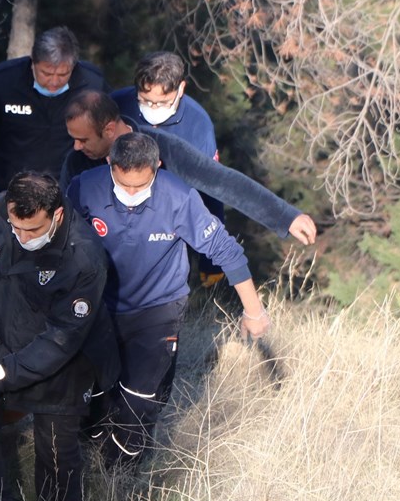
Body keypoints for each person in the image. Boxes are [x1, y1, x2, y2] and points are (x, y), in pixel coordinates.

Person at [68, 132, 269, 468]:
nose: (131, 194)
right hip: (98, 306)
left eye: (141, 186)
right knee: (95, 396)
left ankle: (120, 481)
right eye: (123, 184)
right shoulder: (82, 188)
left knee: (140, 402)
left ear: (157, 167)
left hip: (158, 309)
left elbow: (225, 250)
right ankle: (92, 452)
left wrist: (254, 310)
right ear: (108, 164)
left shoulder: (179, 197)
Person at [0, 172, 119, 501]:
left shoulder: (84, 257)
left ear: (56, 216)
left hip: (62, 355)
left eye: (32, 230)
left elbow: (61, 339)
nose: (22, 237)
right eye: (16, 227)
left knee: (55, 448)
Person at [60, 90, 318, 246]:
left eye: (83, 139)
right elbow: (65, 220)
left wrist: (285, 216)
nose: (77, 146)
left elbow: (222, 181)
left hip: (161, 276)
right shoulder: (77, 161)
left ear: (108, 130)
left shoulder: (164, 147)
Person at [0, 27, 108, 210]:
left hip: (72, 193)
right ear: (33, 63)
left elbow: (112, 130)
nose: (54, 81)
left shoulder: (92, 83)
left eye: (62, 74)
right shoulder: (3, 80)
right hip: (10, 192)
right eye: (47, 73)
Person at [111, 51, 226, 285]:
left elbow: (212, 189)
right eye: (144, 100)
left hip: (169, 219)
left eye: (162, 102)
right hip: (116, 212)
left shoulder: (198, 124)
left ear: (180, 89)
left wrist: (211, 259)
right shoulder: (116, 105)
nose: (152, 108)